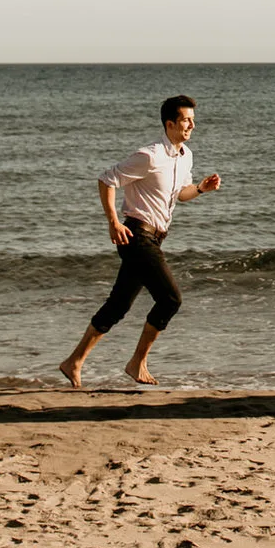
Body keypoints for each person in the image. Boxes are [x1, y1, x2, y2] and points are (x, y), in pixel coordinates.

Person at [58, 95, 221, 388]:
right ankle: (137, 362)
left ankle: (74, 362)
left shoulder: (186, 156)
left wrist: (200, 189)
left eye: (193, 120)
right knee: (170, 299)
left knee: (118, 305)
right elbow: (107, 179)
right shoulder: (149, 156)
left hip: (155, 239)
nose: (192, 125)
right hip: (136, 235)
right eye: (186, 120)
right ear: (170, 123)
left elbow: (180, 194)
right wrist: (113, 222)